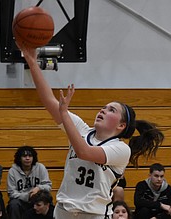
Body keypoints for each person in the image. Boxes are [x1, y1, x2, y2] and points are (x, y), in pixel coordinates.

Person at [16, 43, 164, 219]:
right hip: (64, 211)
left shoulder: (121, 149)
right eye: (103, 107)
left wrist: (64, 113)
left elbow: (83, 151)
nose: (103, 110)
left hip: (94, 215)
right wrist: (32, 62)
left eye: (111, 110)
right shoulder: (81, 129)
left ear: (121, 126)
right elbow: (49, 100)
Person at [7, 146, 52, 219]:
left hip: (38, 199)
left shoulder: (40, 167)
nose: (27, 158)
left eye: (30, 156)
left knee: (47, 201)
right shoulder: (12, 171)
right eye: (24, 156)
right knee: (13, 204)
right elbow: (11, 193)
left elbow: (48, 186)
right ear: (19, 158)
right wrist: (27, 196)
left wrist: (38, 188)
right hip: (21, 202)